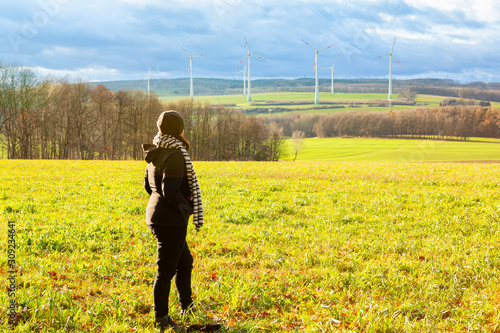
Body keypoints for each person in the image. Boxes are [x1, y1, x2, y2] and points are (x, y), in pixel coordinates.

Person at [142, 110, 204, 331]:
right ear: (179, 129)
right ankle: (161, 319)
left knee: (184, 262)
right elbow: (170, 189)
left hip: (156, 215)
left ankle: (186, 306)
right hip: (170, 221)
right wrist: (186, 208)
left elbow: (149, 186)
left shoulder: (157, 149)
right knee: (165, 271)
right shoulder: (175, 153)